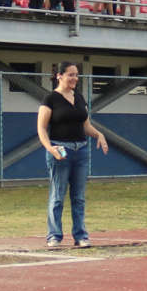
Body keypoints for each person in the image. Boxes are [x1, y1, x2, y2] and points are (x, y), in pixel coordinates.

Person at [38, 62, 109, 248]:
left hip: (81, 150)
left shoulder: (79, 98)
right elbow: (41, 128)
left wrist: (99, 134)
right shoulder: (50, 99)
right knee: (58, 195)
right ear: (59, 76)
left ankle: (81, 236)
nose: (75, 79)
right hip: (60, 149)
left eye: (76, 75)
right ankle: (54, 236)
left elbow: (86, 125)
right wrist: (50, 148)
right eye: (71, 75)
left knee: (79, 197)